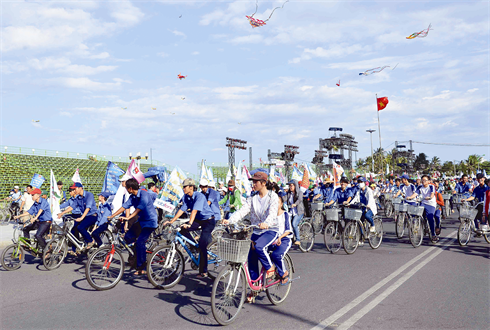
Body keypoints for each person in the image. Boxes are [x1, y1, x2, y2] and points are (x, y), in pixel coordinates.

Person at [223, 171, 279, 302]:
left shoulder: (273, 197)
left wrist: (267, 223)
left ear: (263, 183)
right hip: (256, 230)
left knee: (259, 247)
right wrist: (230, 220)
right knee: (251, 257)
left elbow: (272, 213)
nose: (253, 184)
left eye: (255, 182)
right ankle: (254, 288)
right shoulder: (252, 198)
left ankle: (270, 267)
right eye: (252, 181)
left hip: (270, 230)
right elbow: (242, 211)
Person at [164, 178, 216, 278]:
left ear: (191, 187)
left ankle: (203, 271)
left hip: (208, 221)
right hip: (198, 220)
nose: (183, 188)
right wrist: (171, 221)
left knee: (202, 245)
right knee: (183, 230)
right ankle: (194, 247)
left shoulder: (199, 196)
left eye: (185, 187)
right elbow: (182, 209)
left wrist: (190, 223)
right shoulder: (186, 197)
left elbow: (194, 211)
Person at [109, 178, 159, 275]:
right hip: (141, 221)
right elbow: (124, 206)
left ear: (131, 188)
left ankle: (142, 266)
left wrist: (128, 218)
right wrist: (112, 216)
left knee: (140, 241)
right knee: (128, 237)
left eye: (127, 188)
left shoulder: (144, 194)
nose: (126, 190)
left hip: (150, 222)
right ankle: (137, 255)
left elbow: (139, 208)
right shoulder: (132, 197)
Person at [269, 184, 292, 285]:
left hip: (284, 239)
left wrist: (280, 238)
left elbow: (288, 230)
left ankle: (284, 273)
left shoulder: (285, 214)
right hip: (272, 239)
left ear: (282, 204)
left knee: (276, 254)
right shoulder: (271, 215)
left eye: (278, 203)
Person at [407, 175, 440, 242]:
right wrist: (410, 197)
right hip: (423, 203)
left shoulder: (431, 186)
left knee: (430, 218)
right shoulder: (419, 187)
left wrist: (430, 197)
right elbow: (416, 194)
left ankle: (433, 235)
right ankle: (423, 225)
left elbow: (432, 194)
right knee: (418, 213)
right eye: (422, 180)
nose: (423, 181)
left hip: (431, 204)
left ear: (428, 181)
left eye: (425, 180)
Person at [71, 182, 98, 250]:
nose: (74, 191)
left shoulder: (89, 195)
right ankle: (75, 249)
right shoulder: (78, 198)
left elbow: (88, 208)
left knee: (80, 227)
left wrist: (81, 217)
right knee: (73, 229)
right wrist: (62, 213)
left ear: (80, 188)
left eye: (75, 189)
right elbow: (72, 207)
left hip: (92, 215)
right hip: (85, 216)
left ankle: (90, 241)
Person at [285, 179, 305, 246]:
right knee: (287, 224)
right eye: (290, 186)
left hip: (299, 212)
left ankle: (298, 239)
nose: (290, 187)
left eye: (292, 185)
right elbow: (284, 198)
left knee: (294, 224)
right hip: (291, 212)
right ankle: (290, 238)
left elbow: (299, 200)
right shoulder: (288, 193)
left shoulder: (300, 192)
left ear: (295, 186)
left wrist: (295, 204)